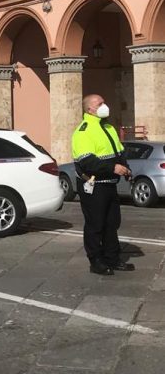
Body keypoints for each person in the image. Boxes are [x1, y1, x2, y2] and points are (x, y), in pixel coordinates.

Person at [71, 94, 134, 276]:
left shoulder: (108, 127)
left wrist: (125, 168)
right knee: (95, 224)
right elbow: (87, 162)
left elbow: (119, 152)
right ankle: (96, 261)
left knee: (112, 223)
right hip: (94, 185)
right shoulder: (83, 132)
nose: (104, 106)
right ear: (90, 109)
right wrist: (113, 167)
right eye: (99, 104)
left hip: (109, 184)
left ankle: (112, 258)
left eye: (104, 102)